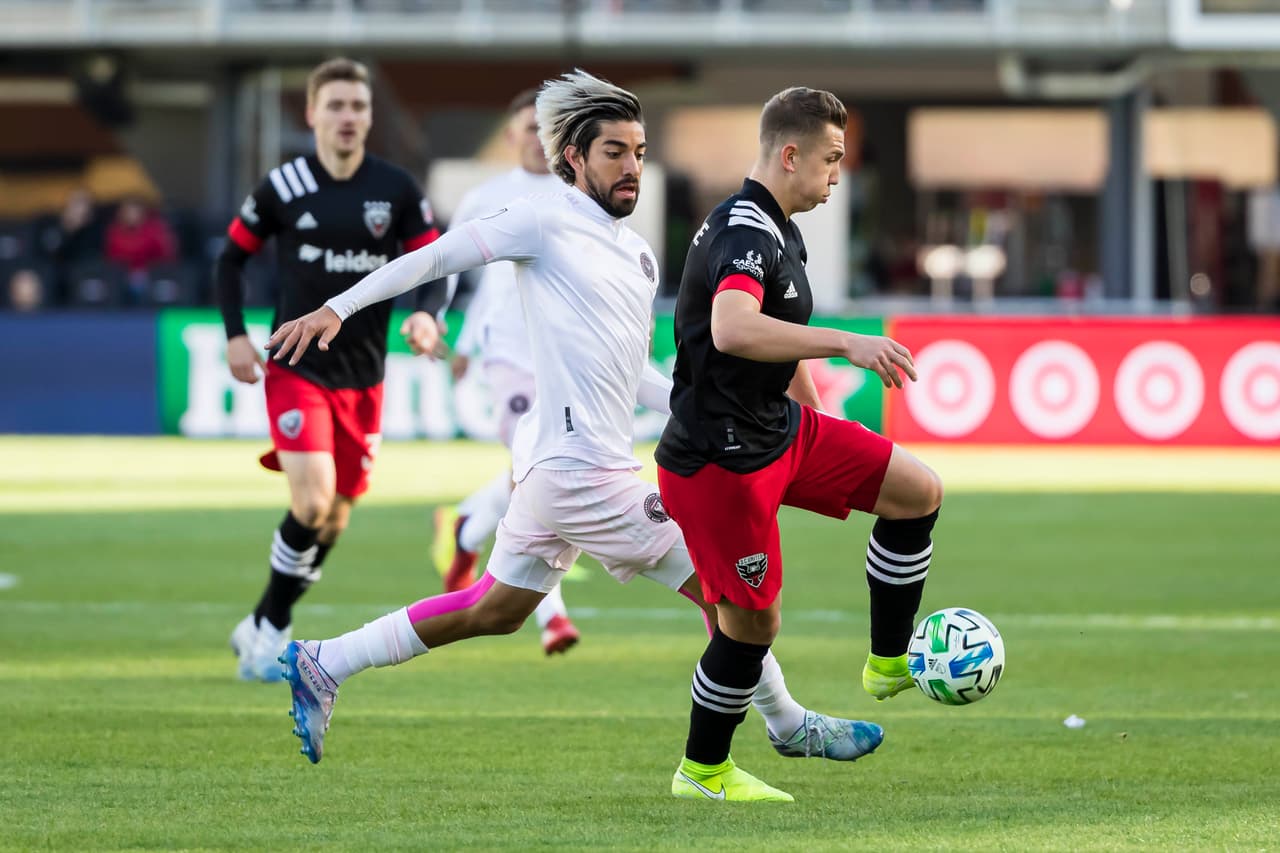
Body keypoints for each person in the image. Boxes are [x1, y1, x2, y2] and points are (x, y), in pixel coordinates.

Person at [267, 71, 883, 784]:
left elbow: (638, 378)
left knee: (492, 608)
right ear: (574, 160)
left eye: (640, 152)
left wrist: (712, 412)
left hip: (557, 473)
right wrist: (340, 307)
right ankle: (788, 723)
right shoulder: (541, 219)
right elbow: (436, 255)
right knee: (727, 594)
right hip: (583, 475)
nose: (632, 168)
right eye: (613, 152)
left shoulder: (636, 253)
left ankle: (326, 659)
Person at [655, 86, 942, 803]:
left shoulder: (781, 227)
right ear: (790, 154)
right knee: (752, 625)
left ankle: (887, 660)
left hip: (779, 432)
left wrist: (823, 432)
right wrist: (847, 340)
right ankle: (703, 770)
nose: (838, 174)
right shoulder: (744, 232)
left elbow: (775, 348)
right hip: (720, 461)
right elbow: (732, 328)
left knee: (916, 490)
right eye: (831, 159)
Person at [216, 57, 444, 681]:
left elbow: (435, 267)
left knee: (336, 515)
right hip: (297, 367)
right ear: (312, 113)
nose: (348, 117)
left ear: (370, 117)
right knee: (312, 500)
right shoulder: (284, 187)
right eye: (336, 106)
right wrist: (236, 336)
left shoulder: (397, 190)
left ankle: (261, 621)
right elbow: (230, 260)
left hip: (365, 377)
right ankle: (271, 634)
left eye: (359, 107)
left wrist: (429, 318)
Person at [433, 88, 581, 655]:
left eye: (546, 130)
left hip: (564, 361)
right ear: (513, 135)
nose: (536, 140)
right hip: (511, 360)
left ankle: (467, 528)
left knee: (547, 472)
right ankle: (553, 618)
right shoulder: (486, 198)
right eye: (527, 128)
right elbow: (459, 271)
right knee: (535, 477)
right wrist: (454, 332)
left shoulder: (576, 199)